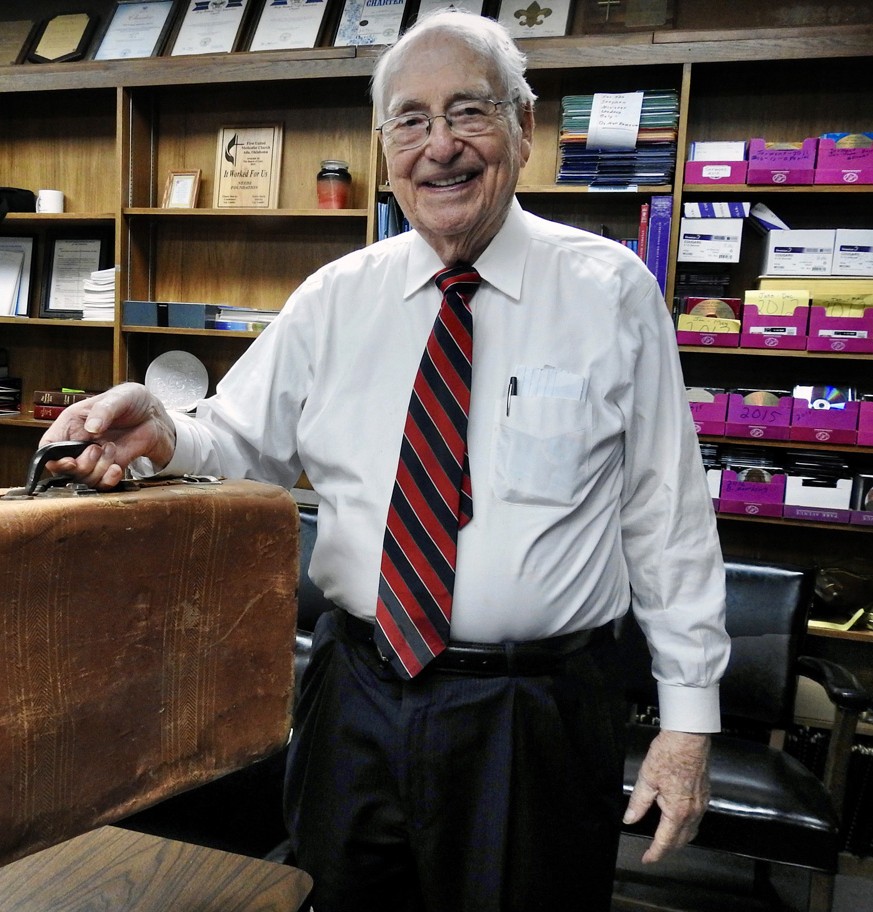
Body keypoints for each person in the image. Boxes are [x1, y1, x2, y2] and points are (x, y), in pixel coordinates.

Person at [41, 10, 730, 911]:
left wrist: (688, 725)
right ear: (384, 146)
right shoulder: (335, 299)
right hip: (354, 696)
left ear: (523, 129)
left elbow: (666, 515)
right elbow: (236, 439)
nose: (439, 146)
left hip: (533, 715)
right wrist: (161, 432)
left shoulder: (611, 294)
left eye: (469, 112)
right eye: (410, 119)